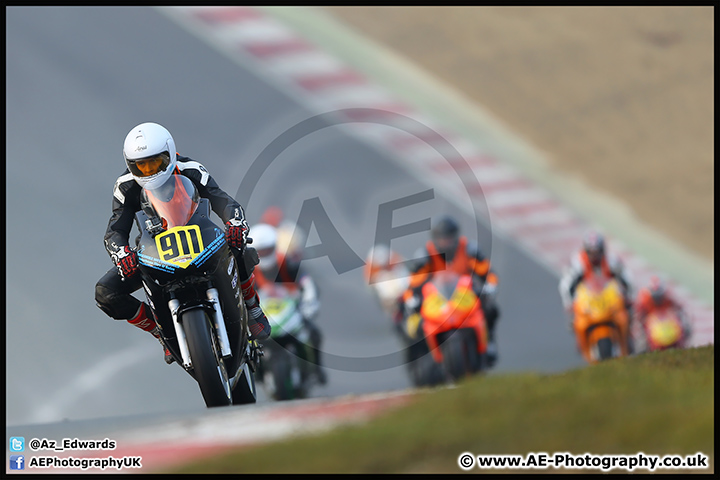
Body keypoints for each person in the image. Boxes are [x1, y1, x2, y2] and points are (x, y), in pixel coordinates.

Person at [95, 122, 271, 365]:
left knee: (239, 246)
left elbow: (223, 201)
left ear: (169, 153)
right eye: (141, 166)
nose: (149, 171)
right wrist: (121, 253)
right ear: (130, 164)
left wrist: (235, 224)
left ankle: (252, 306)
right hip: (154, 251)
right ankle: (159, 331)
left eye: (155, 163)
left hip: (201, 239)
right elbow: (116, 227)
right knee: (106, 292)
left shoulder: (191, 169)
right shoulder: (125, 186)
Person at [402, 215, 501, 367]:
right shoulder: (425, 255)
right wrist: (411, 298)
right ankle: (424, 359)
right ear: (435, 239)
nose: (446, 243)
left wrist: (490, 286)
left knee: (491, 310)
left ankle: (489, 343)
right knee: (414, 325)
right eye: (442, 239)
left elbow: (487, 272)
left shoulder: (469, 250)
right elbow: (414, 282)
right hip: (436, 300)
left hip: (466, 296)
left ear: (456, 237)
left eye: (449, 238)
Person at [250, 222, 326, 384]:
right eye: (260, 251)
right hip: (262, 313)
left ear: (275, 247)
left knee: (314, 333)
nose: (264, 254)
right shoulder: (248, 269)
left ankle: (316, 369)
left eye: (267, 250)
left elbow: (307, 283)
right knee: (245, 341)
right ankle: (254, 371)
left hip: (290, 308)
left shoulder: (287, 262)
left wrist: (310, 303)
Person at [558, 230, 634, 352]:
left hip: (609, 298)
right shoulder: (578, 262)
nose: (595, 256)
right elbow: (566, 284)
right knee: (576, 321)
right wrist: (569, 303)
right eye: (591, 252)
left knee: (627, 315)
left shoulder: (611, 260)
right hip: (588, 299)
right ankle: (582, 343)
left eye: (597, 252)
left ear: (602, 250)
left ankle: (628, 341)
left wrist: (629, 295)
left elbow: (626, 278)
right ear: (586, 251)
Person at [633, 276, 691, 350]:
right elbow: (639, 315)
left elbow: (679, 308)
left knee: (682, 338)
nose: (658, 299)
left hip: (667, 326)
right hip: (652, 329)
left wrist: (684, 325)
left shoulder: (668, 297)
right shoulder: (645, 299)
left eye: (659, 296)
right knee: (641, 344)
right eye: (655, 297)